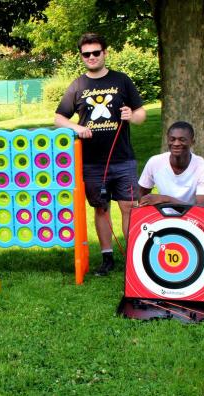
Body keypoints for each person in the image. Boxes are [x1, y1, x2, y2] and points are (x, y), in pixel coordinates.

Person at [55, 33, 147, 276]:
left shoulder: (122, 80)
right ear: (82, 56)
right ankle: (107, 258)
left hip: (123, 158)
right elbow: (59, 118)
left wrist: (132, 116)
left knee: (129, 206)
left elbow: (141, 114)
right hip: (92, 162)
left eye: (96, 52)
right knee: (101, 208)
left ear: (105, 53)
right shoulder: (77, 85)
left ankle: (134, 257)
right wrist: (77, 128)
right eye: (87, 54)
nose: (92, 57)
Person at [139, 121, 204, 207]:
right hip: (160, 217)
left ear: (192, 142)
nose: (176, 143)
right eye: (172, 139)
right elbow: (141, 196)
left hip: (191, 218)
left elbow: (202, 208)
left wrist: (166, 199)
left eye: (182, 140)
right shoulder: (155, 162)